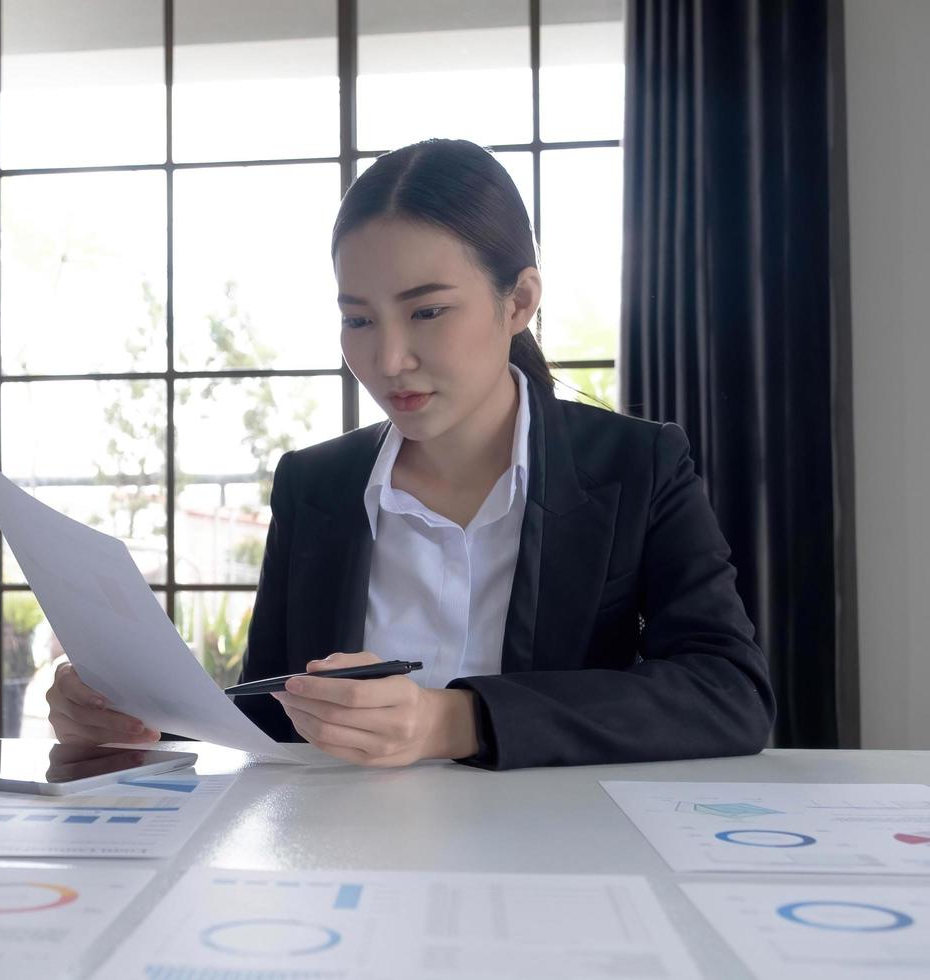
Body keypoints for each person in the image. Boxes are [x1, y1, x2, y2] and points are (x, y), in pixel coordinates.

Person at [46, 138, 774, 770]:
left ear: (517, 302)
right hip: (349, 872)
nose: (388, 358)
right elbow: (277, 713)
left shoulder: (636, 466)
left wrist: (453, 722)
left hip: (557, 862)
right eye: (358, 319)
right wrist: (144, 720)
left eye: (427, 310)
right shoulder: (316, 484)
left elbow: (729, 694)